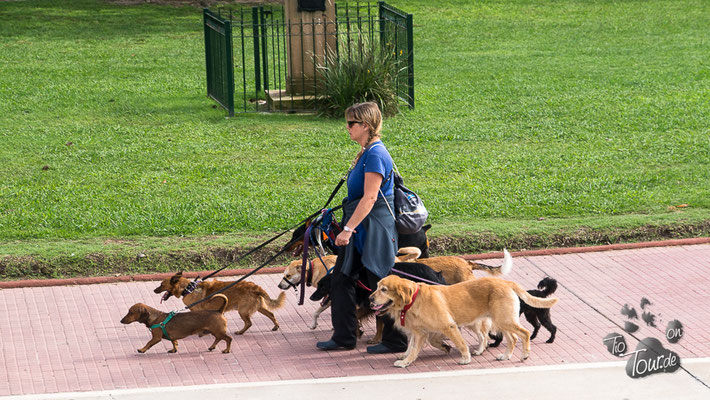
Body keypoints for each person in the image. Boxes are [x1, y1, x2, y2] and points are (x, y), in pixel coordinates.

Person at [315, 102, 408, 354]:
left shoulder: (376, 154)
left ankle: (396, 340)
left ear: (365, 125)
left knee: (383, 282)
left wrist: (347, 230)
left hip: (373, 229)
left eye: (351, 123)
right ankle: (344, 337)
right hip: (359, 227)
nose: (347, 127)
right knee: (341, 279)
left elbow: (370, 198)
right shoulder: (366, 152)